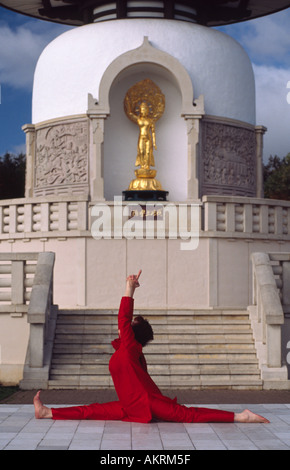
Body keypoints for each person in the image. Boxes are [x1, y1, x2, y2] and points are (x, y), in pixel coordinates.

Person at [34, 270, 269, 424]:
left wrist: (130, 288)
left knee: (189, 415)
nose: (125, 326)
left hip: (147, 404)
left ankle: (241, 416)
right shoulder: (127, 350)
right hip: (129, 405)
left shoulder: (130, 346)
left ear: (132, 333)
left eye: (131, 325)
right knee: (92, 410)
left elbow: (123, 318)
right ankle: (46, 412)